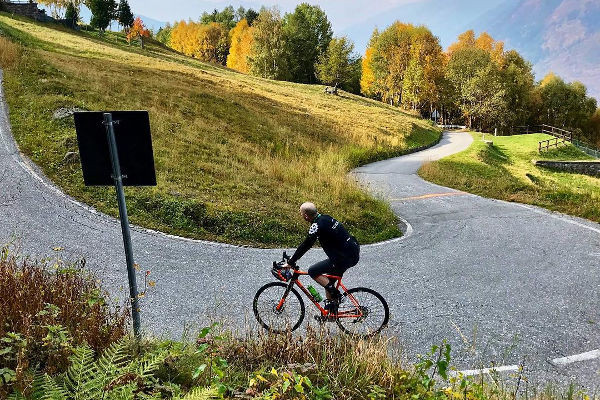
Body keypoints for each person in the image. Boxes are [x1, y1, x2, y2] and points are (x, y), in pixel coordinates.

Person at [284, 202, 360, 313]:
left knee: (313, 271)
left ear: (305, 215)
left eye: (301, 214)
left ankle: (337, 295)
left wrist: (291, 262)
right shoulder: (326, 218)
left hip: (343, 258)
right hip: (352, 251)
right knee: (328, 283)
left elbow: (307, 244)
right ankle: (331, 313)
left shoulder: (317, 225)